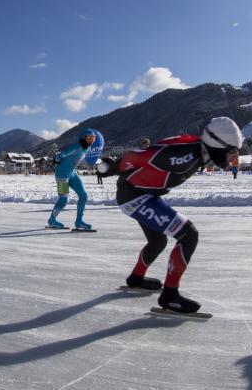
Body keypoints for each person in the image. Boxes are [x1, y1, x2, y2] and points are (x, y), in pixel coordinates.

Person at [96, 117, 244, 314]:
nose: (233, 157)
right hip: (134, 196)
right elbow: (140, 155)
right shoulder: (185, 155)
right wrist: (115, 167)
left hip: (143, 194)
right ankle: (169, 296)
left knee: (158, 242)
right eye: (231, 151)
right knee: (188, 234)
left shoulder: (198, 149)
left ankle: (136, 278)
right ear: (217, 145)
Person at [47, 128, 98, 231]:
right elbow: (60, 156)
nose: (92, 140)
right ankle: (52, 220)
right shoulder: (77, 146)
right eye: (89, 138)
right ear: (83, 138)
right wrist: (57, 164)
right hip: (62, 175)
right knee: (63, 200)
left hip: (72, 174)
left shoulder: (87, 148)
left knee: (83, 196)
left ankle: (79, 221)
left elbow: (77, 159)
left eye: (93, 138)